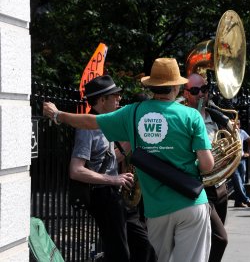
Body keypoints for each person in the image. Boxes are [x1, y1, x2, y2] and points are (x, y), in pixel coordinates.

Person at [43, 58, 214, 262]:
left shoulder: (133, 112)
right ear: (177, 86)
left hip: (156, 209)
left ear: (152, 86)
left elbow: (90, 121)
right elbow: (207, 165)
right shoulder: (192, 116)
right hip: (190, 201)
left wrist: (58, 115)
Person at [68, 75, 155, 261]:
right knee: (119, 254)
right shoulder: (86, 128)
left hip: (115, 195)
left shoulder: (105, 122)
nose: (119, 99)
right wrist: (114, 179)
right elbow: (76, 170)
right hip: (103, 196)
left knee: (145, 244)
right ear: (101, 100)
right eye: (115, 96)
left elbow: (107, 158)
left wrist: (134, 138)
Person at [184, 73, 228, 262]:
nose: (201, 94)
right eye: (195, 91)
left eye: (204, 89)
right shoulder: (184, 118)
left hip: (221, 186)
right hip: (200, 187)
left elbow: (227, 146)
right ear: (185, 93)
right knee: (219, 239)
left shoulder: (216, 118)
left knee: (213, 239)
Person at [232, 119, 250, 208]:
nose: (236, 126)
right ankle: (246, 200)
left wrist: (248, 152)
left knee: (241, 180)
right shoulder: (229, 133)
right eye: (234, 124)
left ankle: (238, 202)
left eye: (238, 124)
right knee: (237, 180)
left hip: (241, 159)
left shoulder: (241, 132)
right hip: (232, 161)